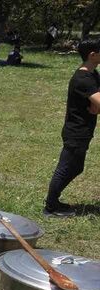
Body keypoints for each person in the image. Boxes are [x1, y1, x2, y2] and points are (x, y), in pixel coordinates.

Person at [44, 39, 100, 217]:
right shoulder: (83, 79)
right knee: (66, 168)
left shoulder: (93, 75)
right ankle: (51, 207)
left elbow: (96, 104)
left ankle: (54, 202)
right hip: (76, 132)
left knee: (76, 167)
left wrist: (96, 107)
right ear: (92, 55)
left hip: (83, 130)